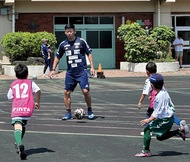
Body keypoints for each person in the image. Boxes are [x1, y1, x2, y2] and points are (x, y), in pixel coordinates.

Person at [49, 23, 96, 120]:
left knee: (85, 91)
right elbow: (58, 56)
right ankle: (68, 113)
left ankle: (90, 110)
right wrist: (53, 69)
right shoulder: (63, 44)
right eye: (67, 32)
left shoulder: (81, 41)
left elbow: (89, 54)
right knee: (66, 92)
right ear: (65, 33)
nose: (69, 33)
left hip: (81, 71)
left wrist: (92, 67)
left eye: (70, 31)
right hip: (70, 73)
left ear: (74, 31)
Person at [135, 73, 186, 157]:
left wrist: (148, 119)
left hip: (164, 120)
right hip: (169, 118)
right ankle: (179, 131)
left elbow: (157, 112)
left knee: (147, 129)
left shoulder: (160, 96)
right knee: (160, 137)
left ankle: (146, 151)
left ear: (152, 85)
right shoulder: (163, 92)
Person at [137, 62, 189, 136]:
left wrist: (140, 102)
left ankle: (148, 130)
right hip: (164, 97)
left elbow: (144, 93)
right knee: (166, 113)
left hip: (157, 100)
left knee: (150, 114)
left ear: (147, 72)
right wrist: (152, 95)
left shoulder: (149, 80)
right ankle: (180, 123)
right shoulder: (159, 77)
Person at [7, 64, 41, 160]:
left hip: (17, 108)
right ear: (27, 74)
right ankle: (18, 142)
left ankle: (19, 143)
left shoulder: (13, 84)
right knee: (23, 125)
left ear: (16, 75)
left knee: (17, 125)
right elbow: (38, 90)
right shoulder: (30, 83)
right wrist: (37, 102)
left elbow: (9, 96)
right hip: (28, 108)